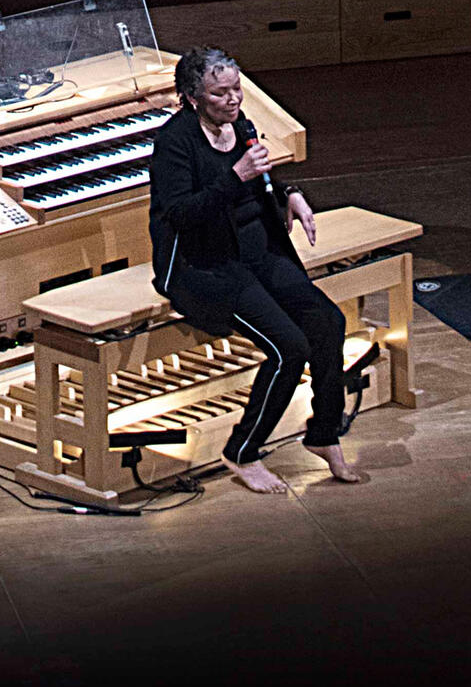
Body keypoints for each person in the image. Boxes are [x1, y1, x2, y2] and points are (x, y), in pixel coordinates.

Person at [148, 46, 359, 494]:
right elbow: (180, 215)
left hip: (257, 251)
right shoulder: (175, 142)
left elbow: (260, 177)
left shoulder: (240, 126)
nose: (233, 99)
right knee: (289, 348)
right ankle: (241, 451)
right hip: (205, 266)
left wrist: (290, 195)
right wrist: (235, 178)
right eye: (219, 92)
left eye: (236, 89)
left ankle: (323, 434)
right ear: (191, 97)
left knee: (328, 322)